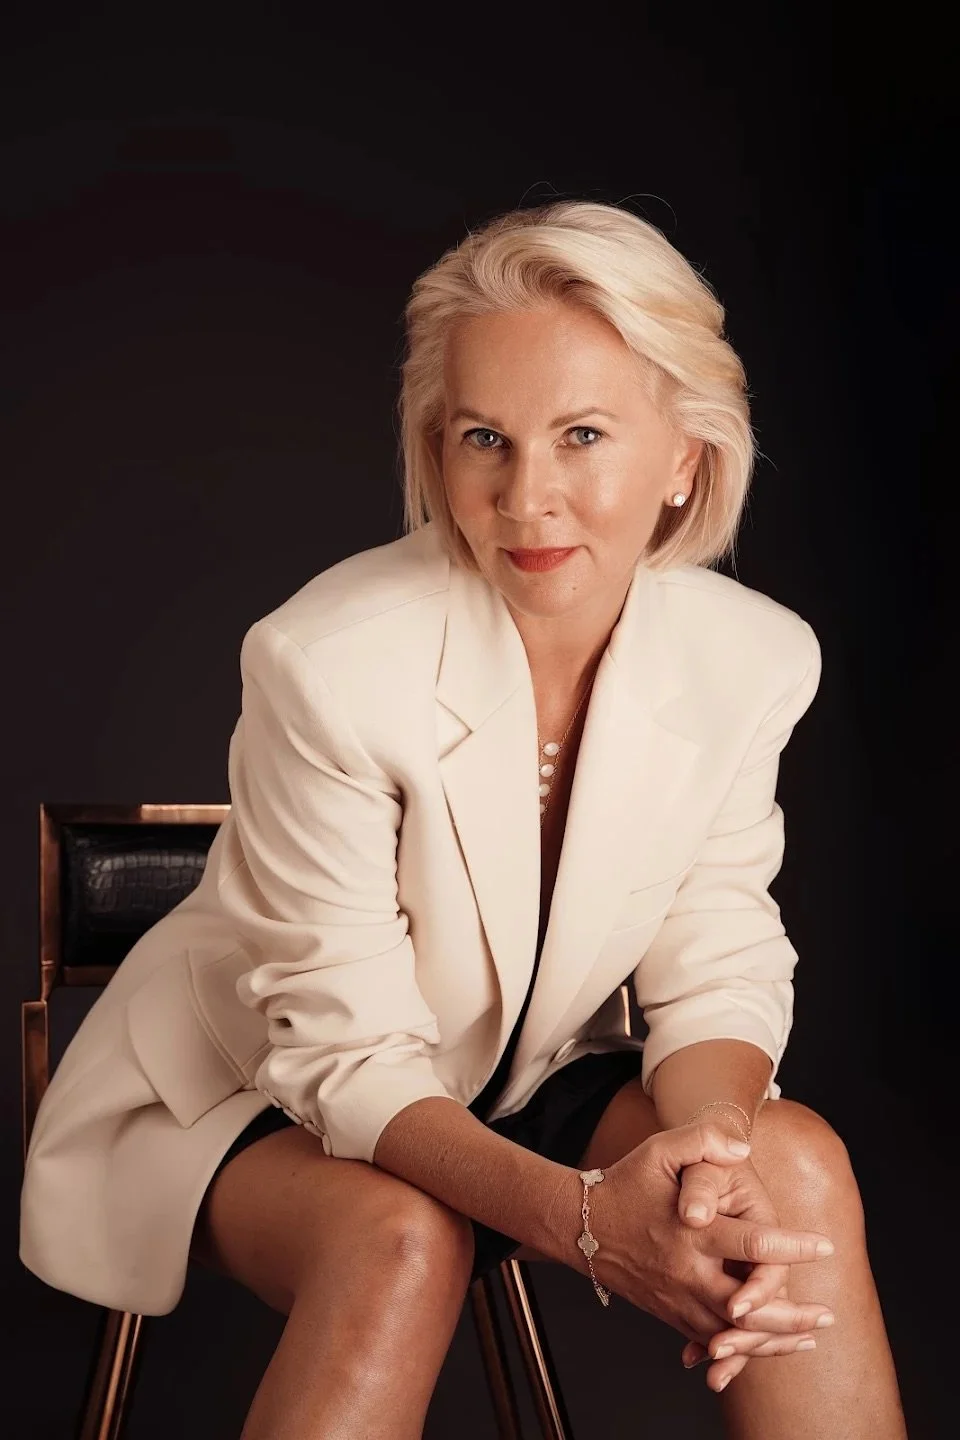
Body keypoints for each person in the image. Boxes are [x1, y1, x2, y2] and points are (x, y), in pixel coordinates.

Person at [20, 200, 907, 1440]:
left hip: (513, 1068)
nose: (526, 496)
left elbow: (716, 955)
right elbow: (350, 1061)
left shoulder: (752, 659)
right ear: (437, 447)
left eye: (583, 434)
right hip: (247, 1083)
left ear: (686, 458)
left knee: (786, 1167)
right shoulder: (327, 662)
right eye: (483, 437)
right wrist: (596, 1226)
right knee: (402, 1237)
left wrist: (705, 1162)